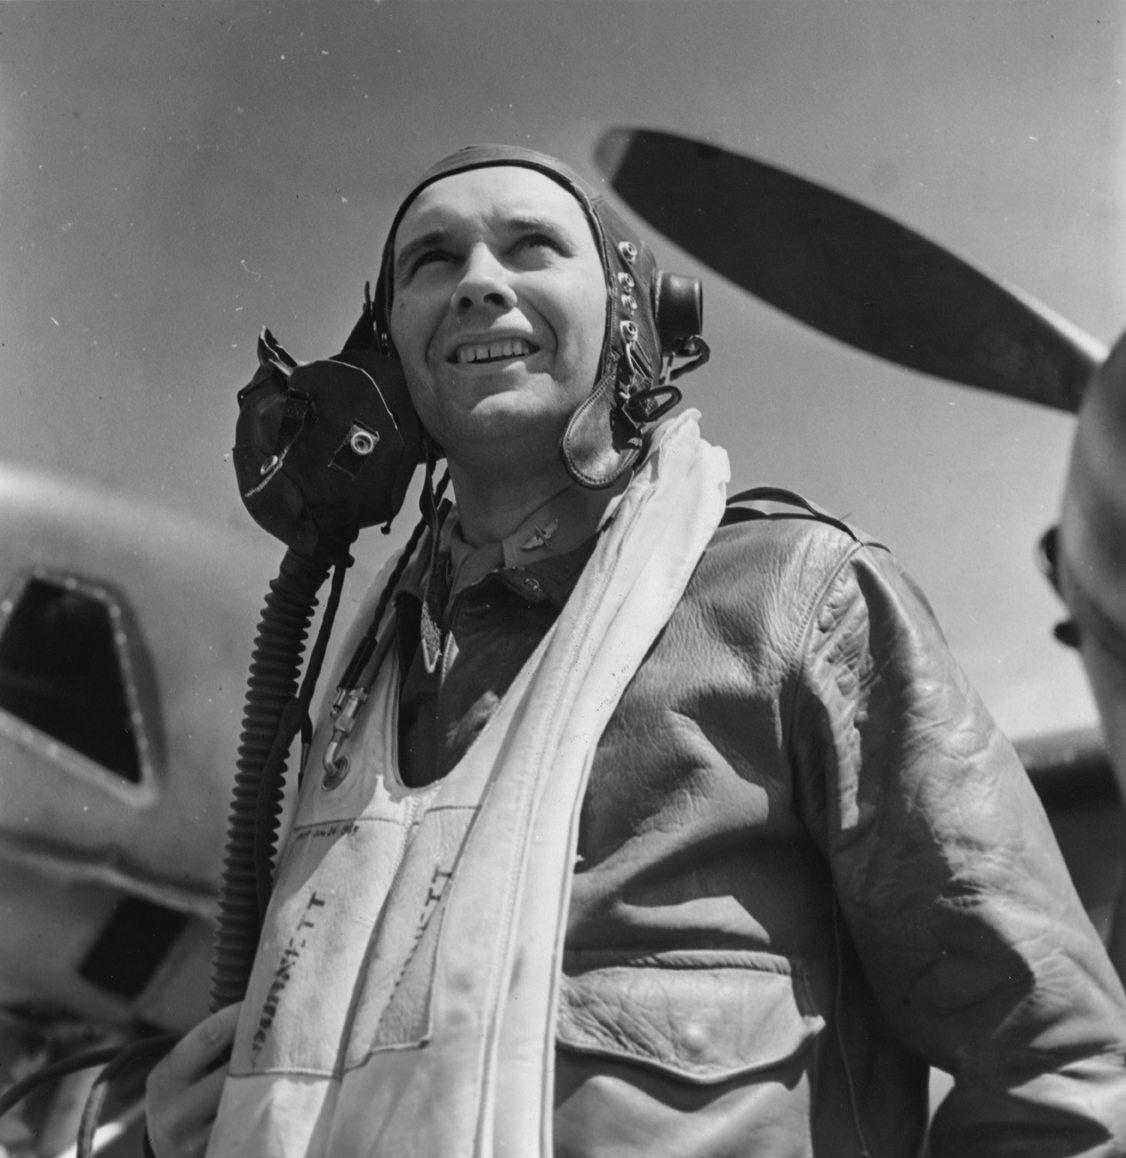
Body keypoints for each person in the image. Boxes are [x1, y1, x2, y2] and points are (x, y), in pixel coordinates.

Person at [146, 145, 1126, 1158]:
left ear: (631, 318)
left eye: (531, 246)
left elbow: (1059, 1072)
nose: (480, 281)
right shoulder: (359, 679)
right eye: (430, 262)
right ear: (383, 351)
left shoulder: (799, 597)